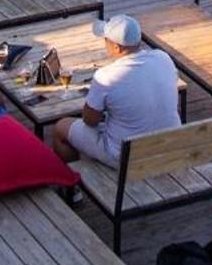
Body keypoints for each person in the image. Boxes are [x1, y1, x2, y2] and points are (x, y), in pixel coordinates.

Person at [48, 15, 180, 166]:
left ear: (116, 47)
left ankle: (71, 183)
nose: (104, 43)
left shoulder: (106, 76)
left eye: (105, 40)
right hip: (170, 144)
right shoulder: (163, 58)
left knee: (61, 128)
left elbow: (90, 121)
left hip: (126, 156)